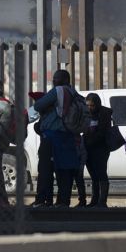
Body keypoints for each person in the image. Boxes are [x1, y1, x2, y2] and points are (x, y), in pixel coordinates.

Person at [33, 70, 80, 207]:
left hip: (52, 136)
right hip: (68, 135)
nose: (54, 81)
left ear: (65, 79)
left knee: (45, 169)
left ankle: (43, 199)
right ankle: (63, 201)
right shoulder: (73, 93)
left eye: (56, 79)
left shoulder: (58, 91)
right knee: (64, 170)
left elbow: (38, 105)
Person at [83, 93, 113, 207]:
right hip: (88, 147)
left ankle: (102, 201)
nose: (90, 108)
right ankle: (94, 200)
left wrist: (92, 138)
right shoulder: (86, 114)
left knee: (101, 173)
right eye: (88, 105)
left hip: (101, 148)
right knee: (93, 175)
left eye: (92, 105)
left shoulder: (104, 114)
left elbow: (102, 132)